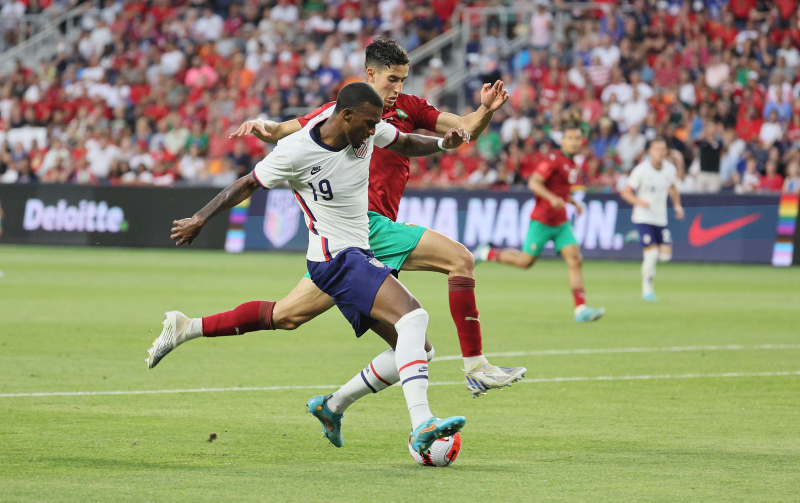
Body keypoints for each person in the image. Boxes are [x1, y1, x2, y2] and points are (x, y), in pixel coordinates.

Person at [151, 82, 468, 453]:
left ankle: (330, 405)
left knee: (413, 348)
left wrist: (443, 144)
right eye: (368, 125)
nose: (372, 133)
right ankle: (422, 423)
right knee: (412, 319)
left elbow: (404, 142)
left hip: (353, 255)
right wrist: (200, 218)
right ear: (345, 115)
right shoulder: (295, 151)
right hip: (337, 259)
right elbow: (246, 184)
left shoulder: (366, 125)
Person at [224, 37, 526, 397]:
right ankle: (476, 366)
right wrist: (262, 124)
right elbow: (283, 131)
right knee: (460, 259)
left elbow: (464, 128)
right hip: (365, 225)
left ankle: (192, 329)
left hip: (354, 243)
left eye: (403, 80)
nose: (399, 88)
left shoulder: (410, 107)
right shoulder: (342, 111)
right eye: (392, 79)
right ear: (371, 73)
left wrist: (487, 110)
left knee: (288, 316)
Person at [474, 115, 606, 323]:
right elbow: (534, 184)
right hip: (543, 220)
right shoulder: (553, 160)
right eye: (570, 138)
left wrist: (572, 202)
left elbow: (560, 189)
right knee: (525, 262)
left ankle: (581, 309)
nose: (574, 142)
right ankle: (487, 252)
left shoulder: (572, 163)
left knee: (575, 258)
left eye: (577, 139)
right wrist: (553, 198)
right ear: (562, 140)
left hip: (561, 222)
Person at [620, 137, 685, 301]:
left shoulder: (669, 169)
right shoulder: (641, 170)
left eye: (663, 149)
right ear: (650, 152)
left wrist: (677, 205)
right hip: (642, 216)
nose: (660, 152)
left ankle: (636, 235)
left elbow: (673, 188)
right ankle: (647, 289)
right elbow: (626, 192)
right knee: (652, 254)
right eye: (656, 149)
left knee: (665, 256)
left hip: (660, 217)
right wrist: (639, 201)